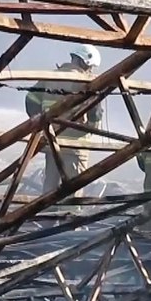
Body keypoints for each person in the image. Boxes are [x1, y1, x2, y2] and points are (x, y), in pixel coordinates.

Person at [25, 44, 104, 198]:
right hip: (75, 148)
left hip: (51, 142)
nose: (91, 71)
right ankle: (69, 214)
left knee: (49, 191)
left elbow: (30, 100)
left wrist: (41, 123)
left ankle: (46, 213)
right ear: (84, 62)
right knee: (73, 192)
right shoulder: (87, 82)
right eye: (91, 67)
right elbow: (95, 114)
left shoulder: (50, 77)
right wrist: (89, 128)